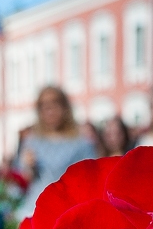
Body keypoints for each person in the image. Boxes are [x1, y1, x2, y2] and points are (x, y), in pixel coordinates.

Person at [18, 86, 96, 214]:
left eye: (54, 103)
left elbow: (91, 179)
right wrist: (28, 166)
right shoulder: (31, 141)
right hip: (37, 208)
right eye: (43, 105)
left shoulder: (81, 142)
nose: (49, 109)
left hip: (70, 208)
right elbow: (25, 178)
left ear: (65, 107)